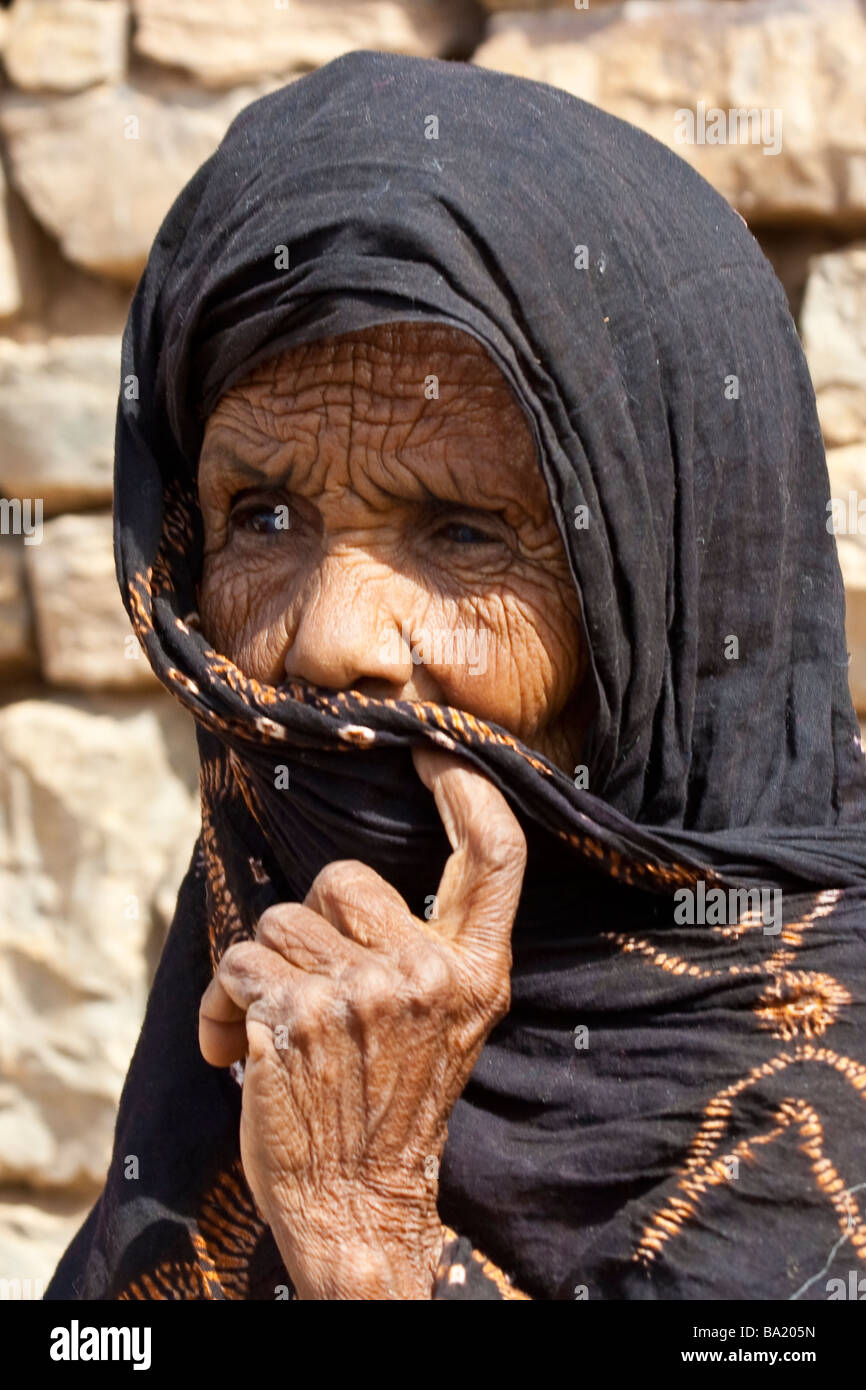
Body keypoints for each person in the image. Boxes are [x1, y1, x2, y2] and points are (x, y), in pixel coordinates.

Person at [46, 49, 866, 1301]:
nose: (331, 642)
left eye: (461, 531)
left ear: (673, 591)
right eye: (261, 516)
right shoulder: (262, 942)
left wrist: (362, 1240)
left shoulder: (825, 1087)